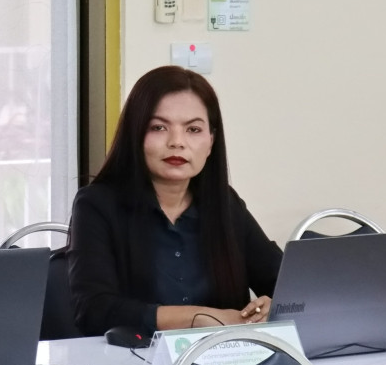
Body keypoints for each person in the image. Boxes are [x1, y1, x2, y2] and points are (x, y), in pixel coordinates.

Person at [67, 66, 282, 337]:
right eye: (159, 127)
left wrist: (273, 305)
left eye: (193, 129)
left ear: (211, 141)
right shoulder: (97, 205)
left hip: (223, 357)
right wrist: (200, 318)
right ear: (135, 135)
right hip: (133, 359)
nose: (177, 142)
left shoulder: (224, 203)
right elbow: (93, 310)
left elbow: (284, 282)